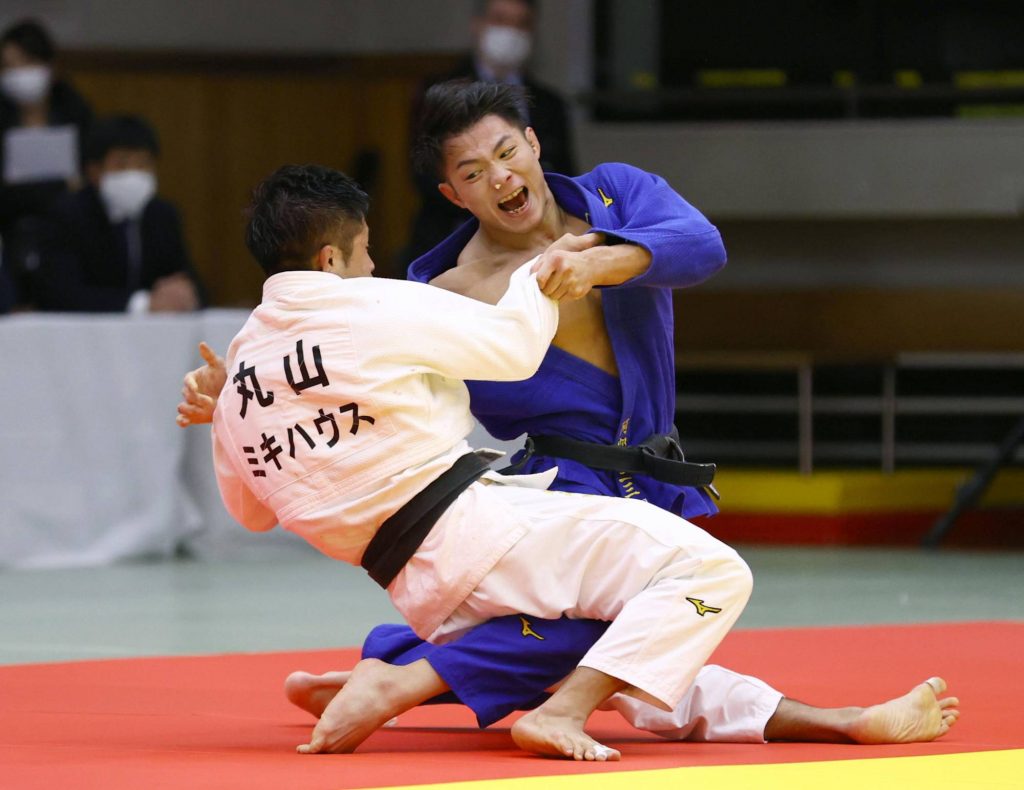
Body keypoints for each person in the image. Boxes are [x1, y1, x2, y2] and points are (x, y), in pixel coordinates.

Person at [177, 82, 959, 755]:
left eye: (506, 152)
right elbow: (372, 389)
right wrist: (263, 391)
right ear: (454, 195)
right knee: (642, 630)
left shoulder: (613, 199)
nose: (501, 178)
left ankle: (410, 667)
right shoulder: (440, 289)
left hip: (654, 471)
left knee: (646, 646)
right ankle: (836, 721)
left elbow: (701, 244)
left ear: (532, 141)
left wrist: (600, 261)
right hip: (563, 480)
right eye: (473, 173)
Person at [208, 162, 755, 761]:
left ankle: (403, 670)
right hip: (481, 533)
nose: (370, 267)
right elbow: (516, 350)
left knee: (606, 634)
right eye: (363, 252)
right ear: (330, 259)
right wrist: (546, 270)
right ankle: (538, 708)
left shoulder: (238, 380)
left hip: (414, 588)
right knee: (710, 573)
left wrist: (222, 415)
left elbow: (253, 516)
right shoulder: (371, 306)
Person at [403, 0, 575, 264]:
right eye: (501, 20)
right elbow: (422, 176)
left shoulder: (551, 104)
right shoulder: (435, 92)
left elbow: (567, 174)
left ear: (532, 142)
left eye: (521, 23)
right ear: (478, 23)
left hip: (540, 243)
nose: (511, 31)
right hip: (451, 234)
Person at [35, 114, 202, 312]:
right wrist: (142, 304)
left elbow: (191, 281)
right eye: (122, 165)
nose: (134, 174)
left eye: (143, 164)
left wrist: (185, 293)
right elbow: (60, 294)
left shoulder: (162, 216)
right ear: (94, 171)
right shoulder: (67, 215)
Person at [0, 18, 92, 309]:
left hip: (65, 226)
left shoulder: (74, 109)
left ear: (47, 65)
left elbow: (88, 179)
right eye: (8, 67)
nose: (18, 74)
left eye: (25, 63)